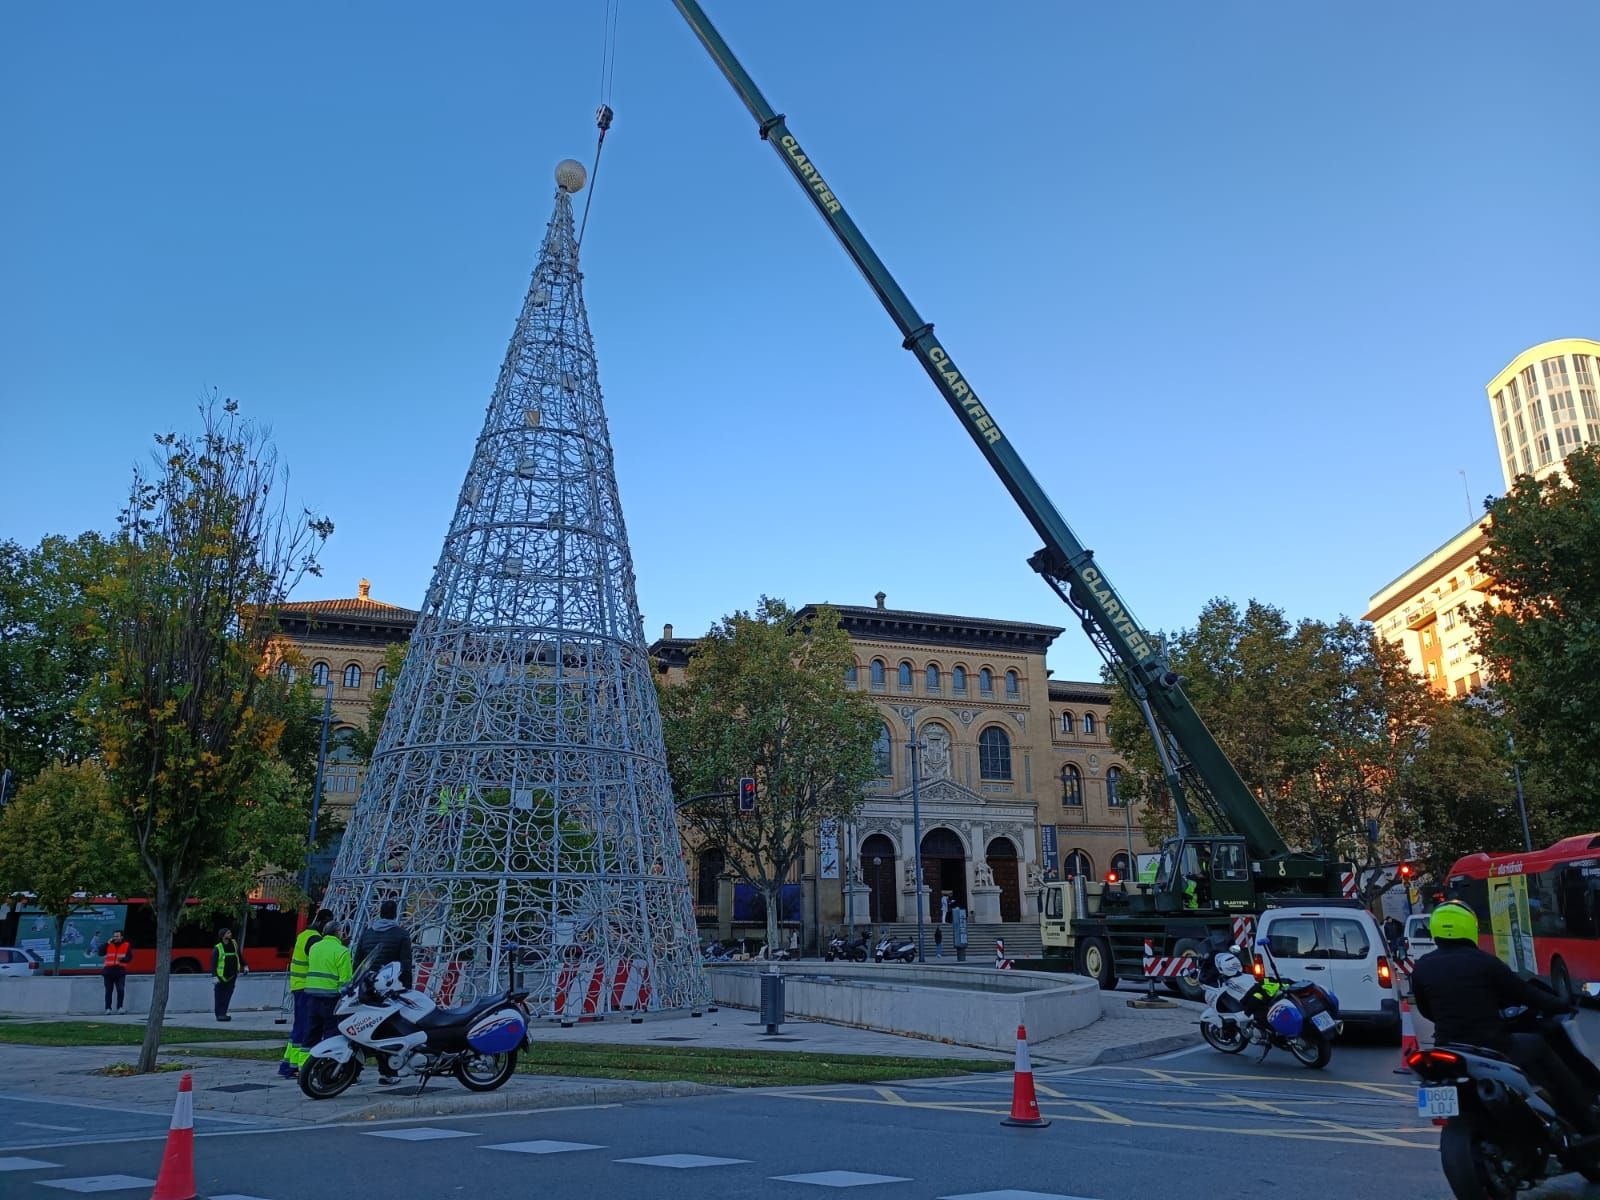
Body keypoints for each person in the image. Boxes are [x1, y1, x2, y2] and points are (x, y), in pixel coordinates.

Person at [1410, 900, 1596, 1132]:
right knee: (1539, 1045)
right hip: (1491, 1045)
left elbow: (1427, 1010)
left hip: (1447, 1047)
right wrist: (1559, 1004)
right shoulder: (1485, 963)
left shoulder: (1422, 967)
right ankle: (1583, 1111)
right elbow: (1525, 993)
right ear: (1469, 927)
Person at [279, 909, 333, 1079]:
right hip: (306, 988)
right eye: (328, 922)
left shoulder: (304, 935)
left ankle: (289, 1065)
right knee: (306, 1028)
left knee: (299, 1026)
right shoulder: (314, 939)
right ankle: (302, 1067)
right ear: (323, 921)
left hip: (299, 986)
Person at [301, 921, 353, 1068]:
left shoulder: (314, 948)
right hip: (331, 999)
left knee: (311, 1033)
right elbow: (346, 981)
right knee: (332, 1035)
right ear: (337, 932)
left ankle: (303, 1066)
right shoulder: (342, 951)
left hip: (311, 997)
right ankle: (328, 1067)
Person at [353, 899, 414, 989]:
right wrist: (407, 986)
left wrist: (355, 983)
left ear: (381, 913)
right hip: (390, 984)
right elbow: (406, 963)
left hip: (367, 984)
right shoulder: (402, 934)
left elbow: (357, 961)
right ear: (395, 914)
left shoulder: (366, 934)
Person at [211, 928, 245, 1021]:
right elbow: (214, 963)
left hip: (232, 975)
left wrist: (245, 966)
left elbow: (239, 955)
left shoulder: (234, 943)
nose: (230, 934)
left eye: (230, 932)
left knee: (228, 995)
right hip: (221, 976)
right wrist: (214, 976)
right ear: (223, 936)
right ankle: (219, 1014)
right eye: (228, 933)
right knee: (219, 995)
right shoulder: (218, 947)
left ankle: (223, 1013)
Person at [102, 931, 133, 1014]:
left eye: (117, 936)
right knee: (108, 991)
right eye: (114, 936)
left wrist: (123, 959)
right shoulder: (109, 944)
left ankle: (120, 1007)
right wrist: (106, 944)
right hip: (108, 971)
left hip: (120, 971)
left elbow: (129, 957)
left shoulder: (126, 945)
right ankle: (108, 1008)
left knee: (120, 989)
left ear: (121, 937)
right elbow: (100, 952)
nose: (115, 938)